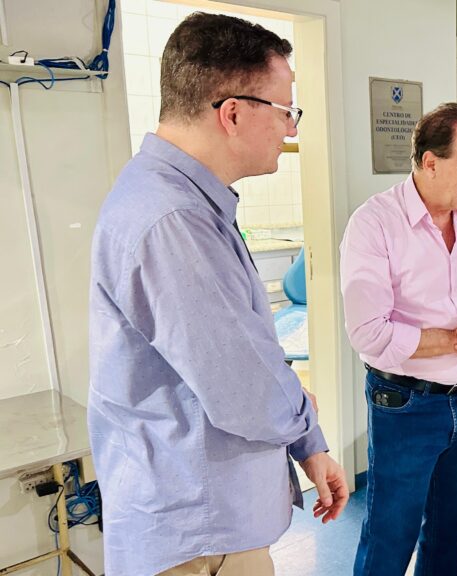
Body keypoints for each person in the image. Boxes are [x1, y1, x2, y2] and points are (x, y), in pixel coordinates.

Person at [88, 13, 348, 576]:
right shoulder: (173, 218)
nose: (292, 129)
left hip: (206, 522)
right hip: (197, 536)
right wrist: (301, 413)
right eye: (286, 111)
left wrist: (308, 441)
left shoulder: (186, 202)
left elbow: (245, 349)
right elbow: (249, 389)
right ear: (233, 113)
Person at [340, 102, 457, 575]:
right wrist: (456, 340)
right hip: (404, 404)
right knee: (390, 535)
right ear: (430, 162)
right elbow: (369, 331)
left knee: (451, 528)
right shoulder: (375, 223)